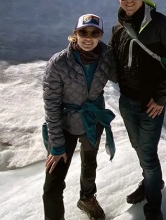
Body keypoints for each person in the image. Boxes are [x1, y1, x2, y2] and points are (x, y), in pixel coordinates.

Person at [109, 0, 166, 220]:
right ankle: (152, 183)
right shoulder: (118, 28)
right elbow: (112, 63)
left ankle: (153, 210)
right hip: (127, 102)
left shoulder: (159, 24)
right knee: (138, 148)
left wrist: (161, 97)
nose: (129, 0)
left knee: (149, 156)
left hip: (151, 104)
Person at [42, 14, 117, 220]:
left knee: (89, 162)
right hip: (64, 125)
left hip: (92, 120)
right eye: (83, 32)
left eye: (94, 33)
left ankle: (87, 198)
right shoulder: (58, 63)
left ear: (100, 35)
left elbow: (124, 76)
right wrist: (56, 143)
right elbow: (52, 104)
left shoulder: (107, 57)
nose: (88, 37)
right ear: (75, 34)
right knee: (53, 184)